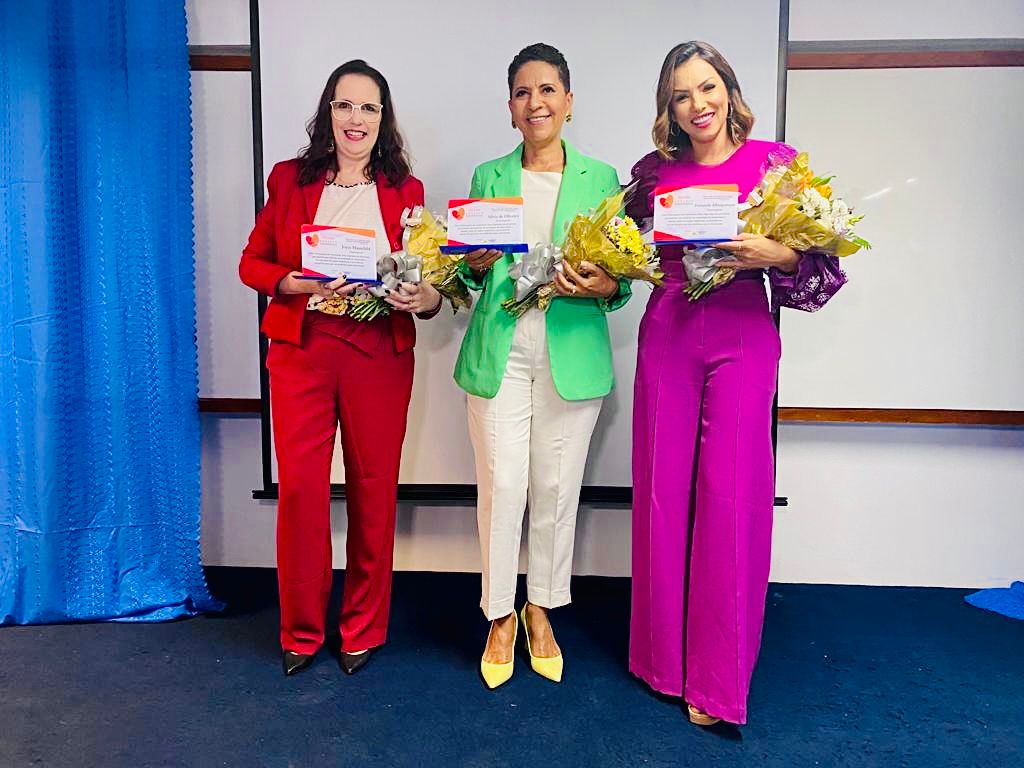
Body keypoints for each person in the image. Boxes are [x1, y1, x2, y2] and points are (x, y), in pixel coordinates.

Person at [627, 41, 847, 725]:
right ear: (669, 108)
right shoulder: (651, 175)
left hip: (743, 338)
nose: (698, 105)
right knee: (662, 495)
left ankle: (718, 683)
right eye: (681, 95)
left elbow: (821, 272)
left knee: (731, 499)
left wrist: (777, 253)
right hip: (667, 333)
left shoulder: (776, 167)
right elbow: (624, 253)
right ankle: (662, 661)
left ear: (729, 88)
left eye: (707, 87)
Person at [238, 59, 441, 677]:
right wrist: (295, 282)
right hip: (302, 349)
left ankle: (362, 627)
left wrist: (421, 296)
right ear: (329, 112)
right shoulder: (289, 179)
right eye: (345, 105)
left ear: (384, 119)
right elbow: (252, 264)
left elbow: (426, 282)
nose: (356, 118)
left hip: (377, 352)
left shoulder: (407, 191)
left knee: (374, 489)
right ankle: (300, 631)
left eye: (368, 108)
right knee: (301, 492)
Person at [454, 43, 631, 689]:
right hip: (501, 353)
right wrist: (470, 265)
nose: (537, 102)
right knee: (502, 488)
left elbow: (621, 281)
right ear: (510, 108)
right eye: (524, 92)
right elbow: (470, 276)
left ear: (569, 102)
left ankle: (542, 609)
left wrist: (605, 285)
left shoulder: (602, 180)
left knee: (557, 491)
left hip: (571, 353)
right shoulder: (488, 177)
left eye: (548, 89)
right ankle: (499, 614)